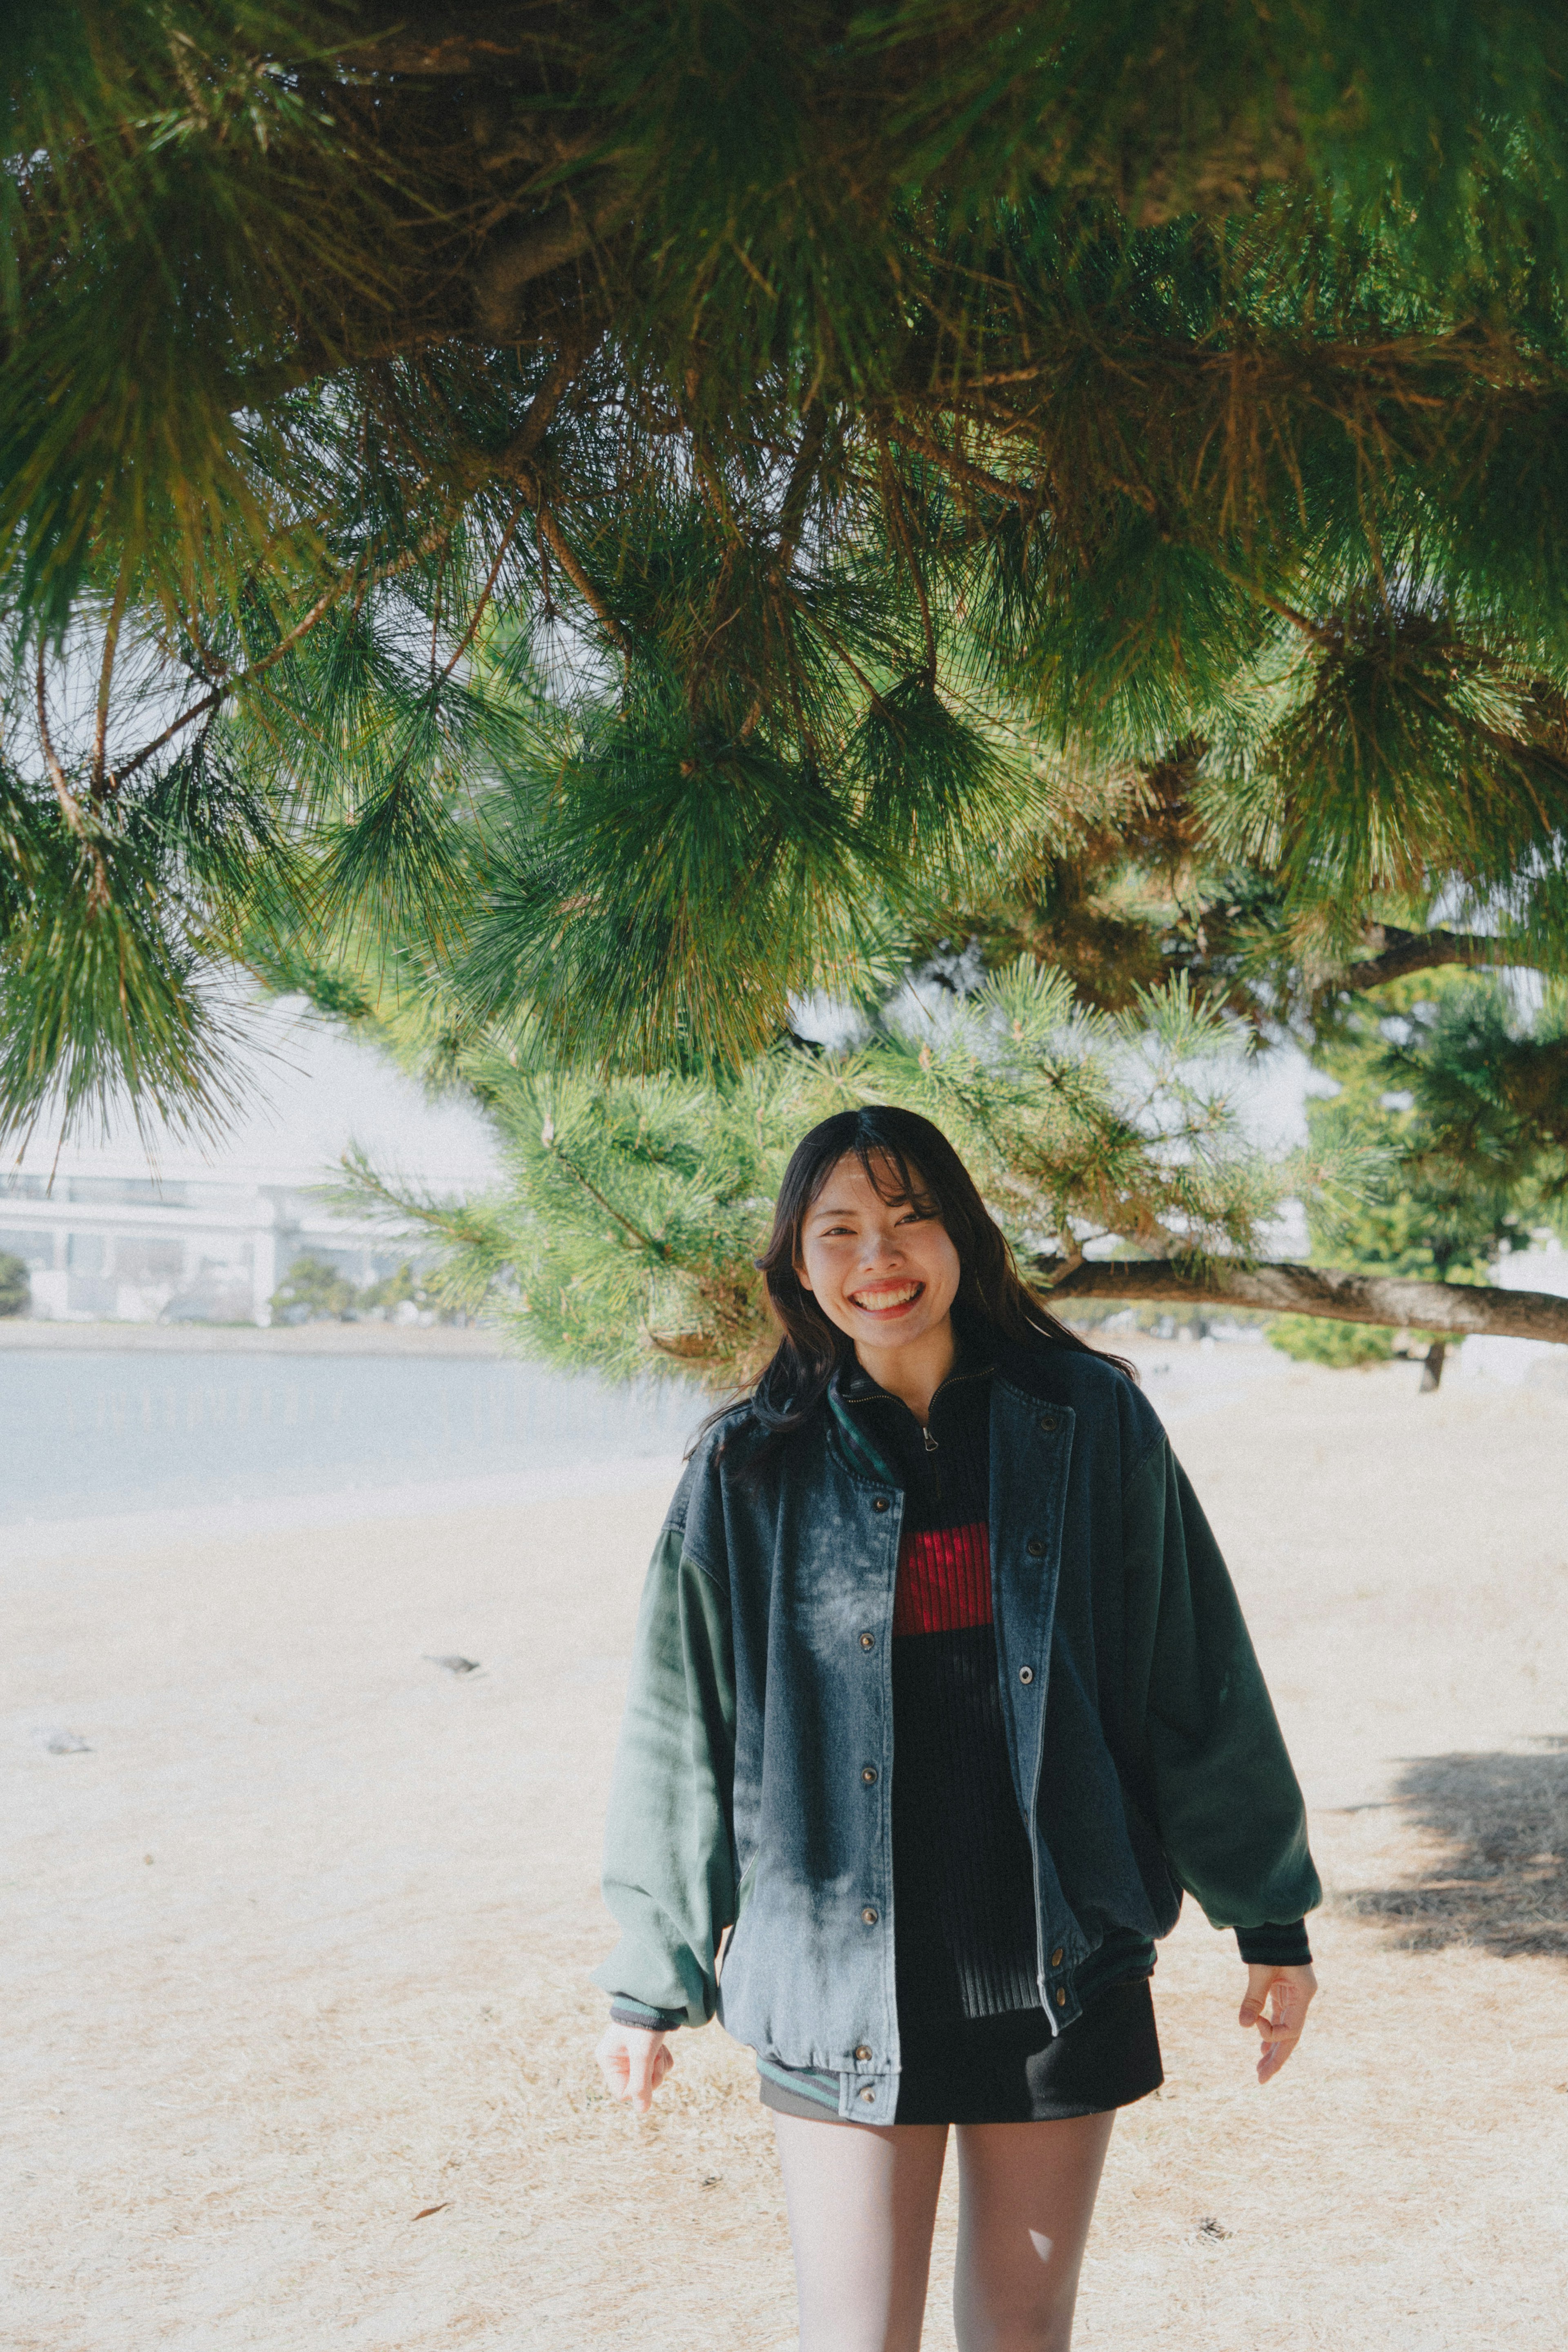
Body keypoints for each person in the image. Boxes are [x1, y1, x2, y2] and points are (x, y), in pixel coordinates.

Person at [591, 1106, 1319, 2352]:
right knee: (857, 2337)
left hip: (1057, 1970)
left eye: (910, 1215)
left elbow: (1192, 1671)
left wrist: (1270, 1913)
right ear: (798, 1264)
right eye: (841, 1230)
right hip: (835, 1985)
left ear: (965, 1234)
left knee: (1024, 2335)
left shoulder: (1089, 1421)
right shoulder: (742, 1471)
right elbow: (680, 1731)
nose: (880, 1255)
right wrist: (651, 1985)